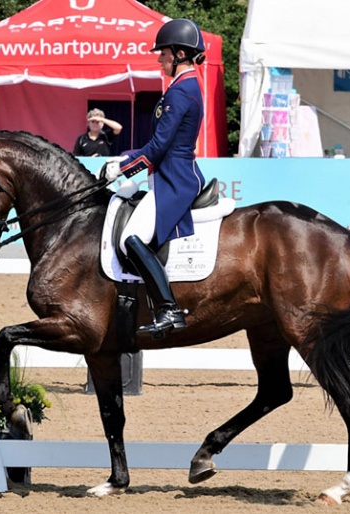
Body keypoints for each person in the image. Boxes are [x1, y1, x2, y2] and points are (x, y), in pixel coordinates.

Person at [101, 18, 207, 337]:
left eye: (163, 53)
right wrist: (126, 158)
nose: (159, 59)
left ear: (178, 54)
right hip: (171, 174)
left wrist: (122, 167)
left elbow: (159, 147)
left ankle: (168, 308)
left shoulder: (181, 92)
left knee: (129, 238)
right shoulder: (184, 87)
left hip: (174, 179)